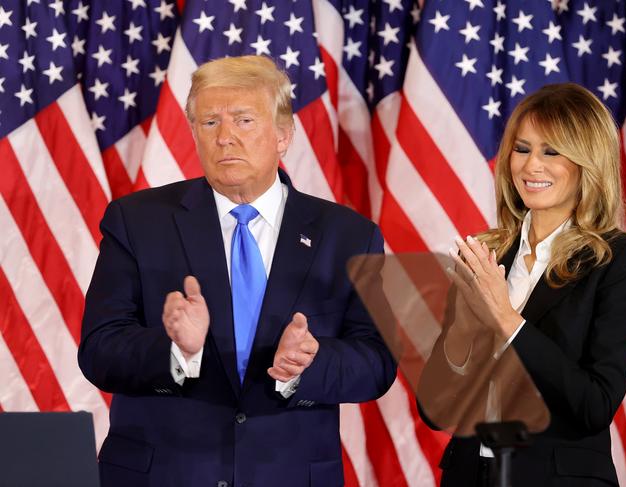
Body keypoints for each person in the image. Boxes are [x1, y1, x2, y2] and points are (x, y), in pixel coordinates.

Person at [78, 55, 396, 487]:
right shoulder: (136, 221)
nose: (225, 137)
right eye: (209, 123)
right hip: (164, 475)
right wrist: (176, 351)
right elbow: (99, 349)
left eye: (244, 120)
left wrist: (309, 363)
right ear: (193, 133)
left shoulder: (348, 235)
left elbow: (377, 362)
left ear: (283, 135)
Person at [418, 83, 626, 486]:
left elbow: (593, 405)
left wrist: (508, 320)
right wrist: (464, 329)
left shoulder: (623, 259)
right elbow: (435, 411)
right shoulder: (487, 254)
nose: (530, 166)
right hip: (469, 474)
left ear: (586, 162)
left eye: (551, 151)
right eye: (522, 149)